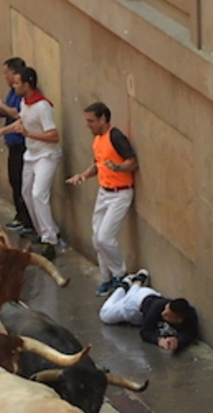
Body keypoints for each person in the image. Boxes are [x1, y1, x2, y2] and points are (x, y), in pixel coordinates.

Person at [66, 101, 139, 295]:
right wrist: (83, 175)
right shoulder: (97, 140)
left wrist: (119, 168)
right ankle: (106, 278)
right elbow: (97, 165)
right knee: (96, 239)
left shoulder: (115, 136)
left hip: (120, 193)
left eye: (91, 121)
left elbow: (132, 162)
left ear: (103, 119)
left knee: (105, 237)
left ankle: (120, 274)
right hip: (103, 192)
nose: (87, 125)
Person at [0, 67, 62, 260]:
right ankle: (44, 231)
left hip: (47, 155)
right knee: (26, 193)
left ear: (27, 84)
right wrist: (3, 131)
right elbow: (21, 122)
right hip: (31, 156)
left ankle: (50, 240)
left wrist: (29, 135)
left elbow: (54, 135)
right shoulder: (24, 102)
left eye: (17, 83)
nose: (13, 86)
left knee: (39, 194)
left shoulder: (43, 106)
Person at [98, 269, 198, 352]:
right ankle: (123, 287)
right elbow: (145, 332)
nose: (162, 313)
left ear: (179, 319)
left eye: (167, 315)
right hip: (135, 305)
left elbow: (190, 333)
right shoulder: (158, 308)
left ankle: (137, 281)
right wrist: (159, 340)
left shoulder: (190, 315)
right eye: (165, 310)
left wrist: (178, 342)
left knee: (132, 294)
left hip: (148, 295)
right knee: (105, 315)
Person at [0, 57, 33, 235]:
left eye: (6, 73)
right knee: (14, 181)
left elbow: (18, 115)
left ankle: (26, 219)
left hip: (22, 145)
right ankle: (20, 215)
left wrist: (1, 105)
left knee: (21, 182)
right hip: (12, 143)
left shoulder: (23, 95)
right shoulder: (13, 92)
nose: (5, 77)